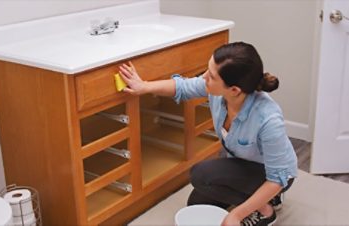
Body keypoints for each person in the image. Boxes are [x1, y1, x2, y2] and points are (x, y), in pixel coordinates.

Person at [118, 41, 298, 226]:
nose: (204, 77)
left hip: (273, 176)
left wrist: (236, 215)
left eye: (211, 76)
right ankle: (263, 198)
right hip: (241, 165)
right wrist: (144, 86)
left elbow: (277, 178)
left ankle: (266, 210)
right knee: (196, 203)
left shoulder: (268, 119)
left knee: (201, 175)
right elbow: (183, 87)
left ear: (234, 90)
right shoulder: (219, 91)